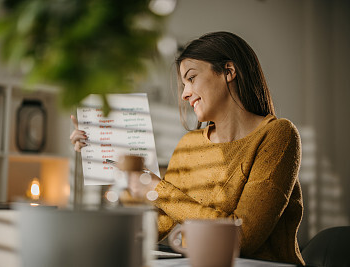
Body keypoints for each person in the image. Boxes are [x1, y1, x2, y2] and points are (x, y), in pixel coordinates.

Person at [70, 31, 305, 265]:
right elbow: (156, 226)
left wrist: (157, 189)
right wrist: (112, 161)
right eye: (184, 84)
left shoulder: (277, 135)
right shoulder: (189, 145)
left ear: (228, 72)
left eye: (191, 78)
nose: (184, 94)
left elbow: (242, 238)